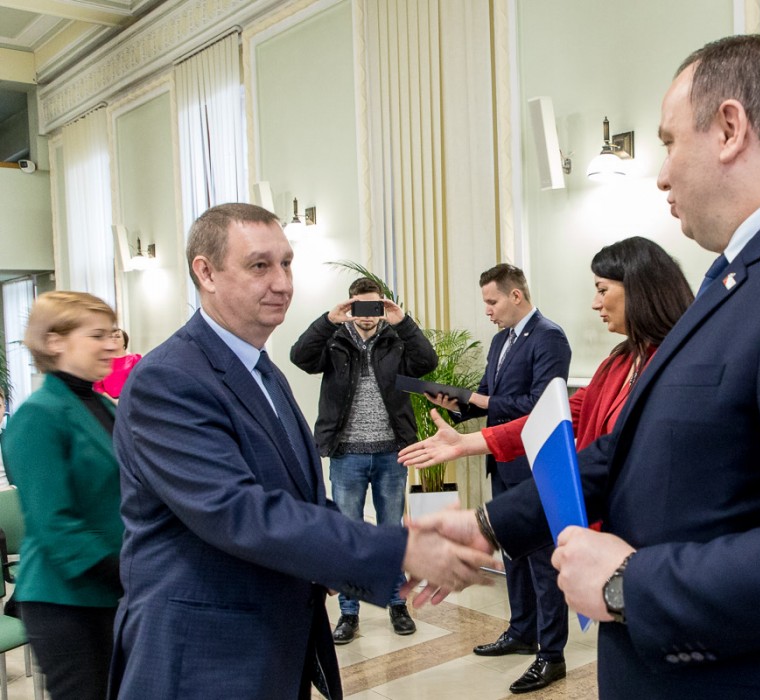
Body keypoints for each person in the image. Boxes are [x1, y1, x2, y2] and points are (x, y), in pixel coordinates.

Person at [414, 35, 760, 699]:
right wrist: (489, 525)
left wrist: (627, 586)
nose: (662, 174)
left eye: (670, 143)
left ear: (730, 128)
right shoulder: (737, 276)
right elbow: (632, 451)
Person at [109, 203, 497, 700]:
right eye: (259, 265)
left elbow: (300, 497)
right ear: (205, 273)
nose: (282, 283)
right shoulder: (168, 379)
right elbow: (238, 512)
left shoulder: (262, 371)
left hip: (275, 643)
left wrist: (397, 538)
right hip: (206, 655)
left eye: (287, 263)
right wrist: (399, 550)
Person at [399, 236, 692, 474]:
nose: (595, 303)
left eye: (602, 290)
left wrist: (478, 405)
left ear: (640, 290)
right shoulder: (616, 363)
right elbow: (554, 415)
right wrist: (465, 439)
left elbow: (539, 404)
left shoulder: (680, 366)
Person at [432, 263, 571, 694]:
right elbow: (487, 397)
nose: (487, 311)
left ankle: (552, 654)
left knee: (543, 563)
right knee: (513, 552)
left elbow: (539, 404)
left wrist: (481, 399)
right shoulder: (500, 341)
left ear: (516, 295)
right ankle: (521, 631)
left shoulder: (549, 336)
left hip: (534, 464)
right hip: (503, 463)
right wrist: (456, 405)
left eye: (492, 301)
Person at [290, 276, 438, 642]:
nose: (368, 316)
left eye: (374, 307)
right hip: (347, 455)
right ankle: (349, 611)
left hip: (391, 452)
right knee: (348, 535)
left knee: (390, 532)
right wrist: (329, 321)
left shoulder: (395, 339)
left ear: (383, 306)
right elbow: (300, 356)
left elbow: (427, 361)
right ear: (350, 306)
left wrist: (403, 322)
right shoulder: (335, 340)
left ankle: (397, 604)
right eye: (360, 308)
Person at [0, 291, 124, 700]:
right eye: (97, 335)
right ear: (55, 341)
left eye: (112, 333)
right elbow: (53, 523)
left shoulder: (102, 405)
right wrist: (124, 571)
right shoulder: (38, 414)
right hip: (65, 599)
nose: (111, 344)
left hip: (111, 590)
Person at [93, 328, 142, 401]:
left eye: (117, 336)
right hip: (108, 401)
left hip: (129, 401)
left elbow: (140, 383)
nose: (114, 339)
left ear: (124, 341)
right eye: (111, 337)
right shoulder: (102, 361)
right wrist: (112, 401)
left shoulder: (135, 359)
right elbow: (97, 387)